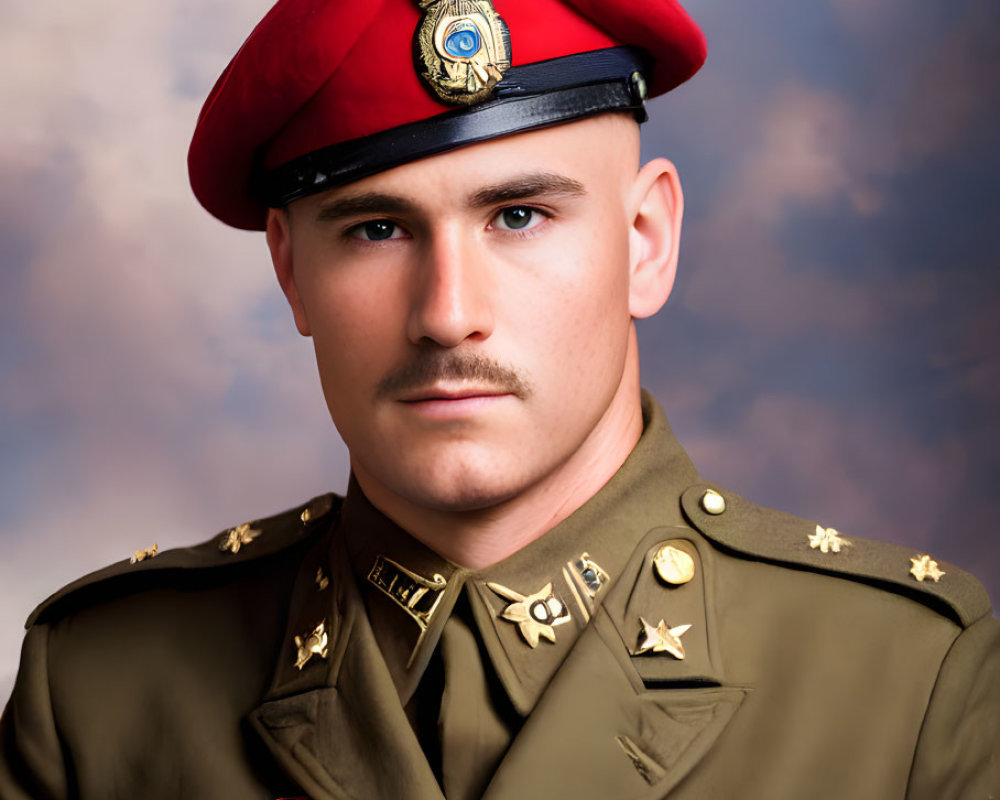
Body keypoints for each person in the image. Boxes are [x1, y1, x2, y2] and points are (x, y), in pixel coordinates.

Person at [1, 0, 997, 797]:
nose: (447, 314)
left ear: (645, 241)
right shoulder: (101, 689)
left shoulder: (906, 685)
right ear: (290, 272)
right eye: (375, 230)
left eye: (518, 215)